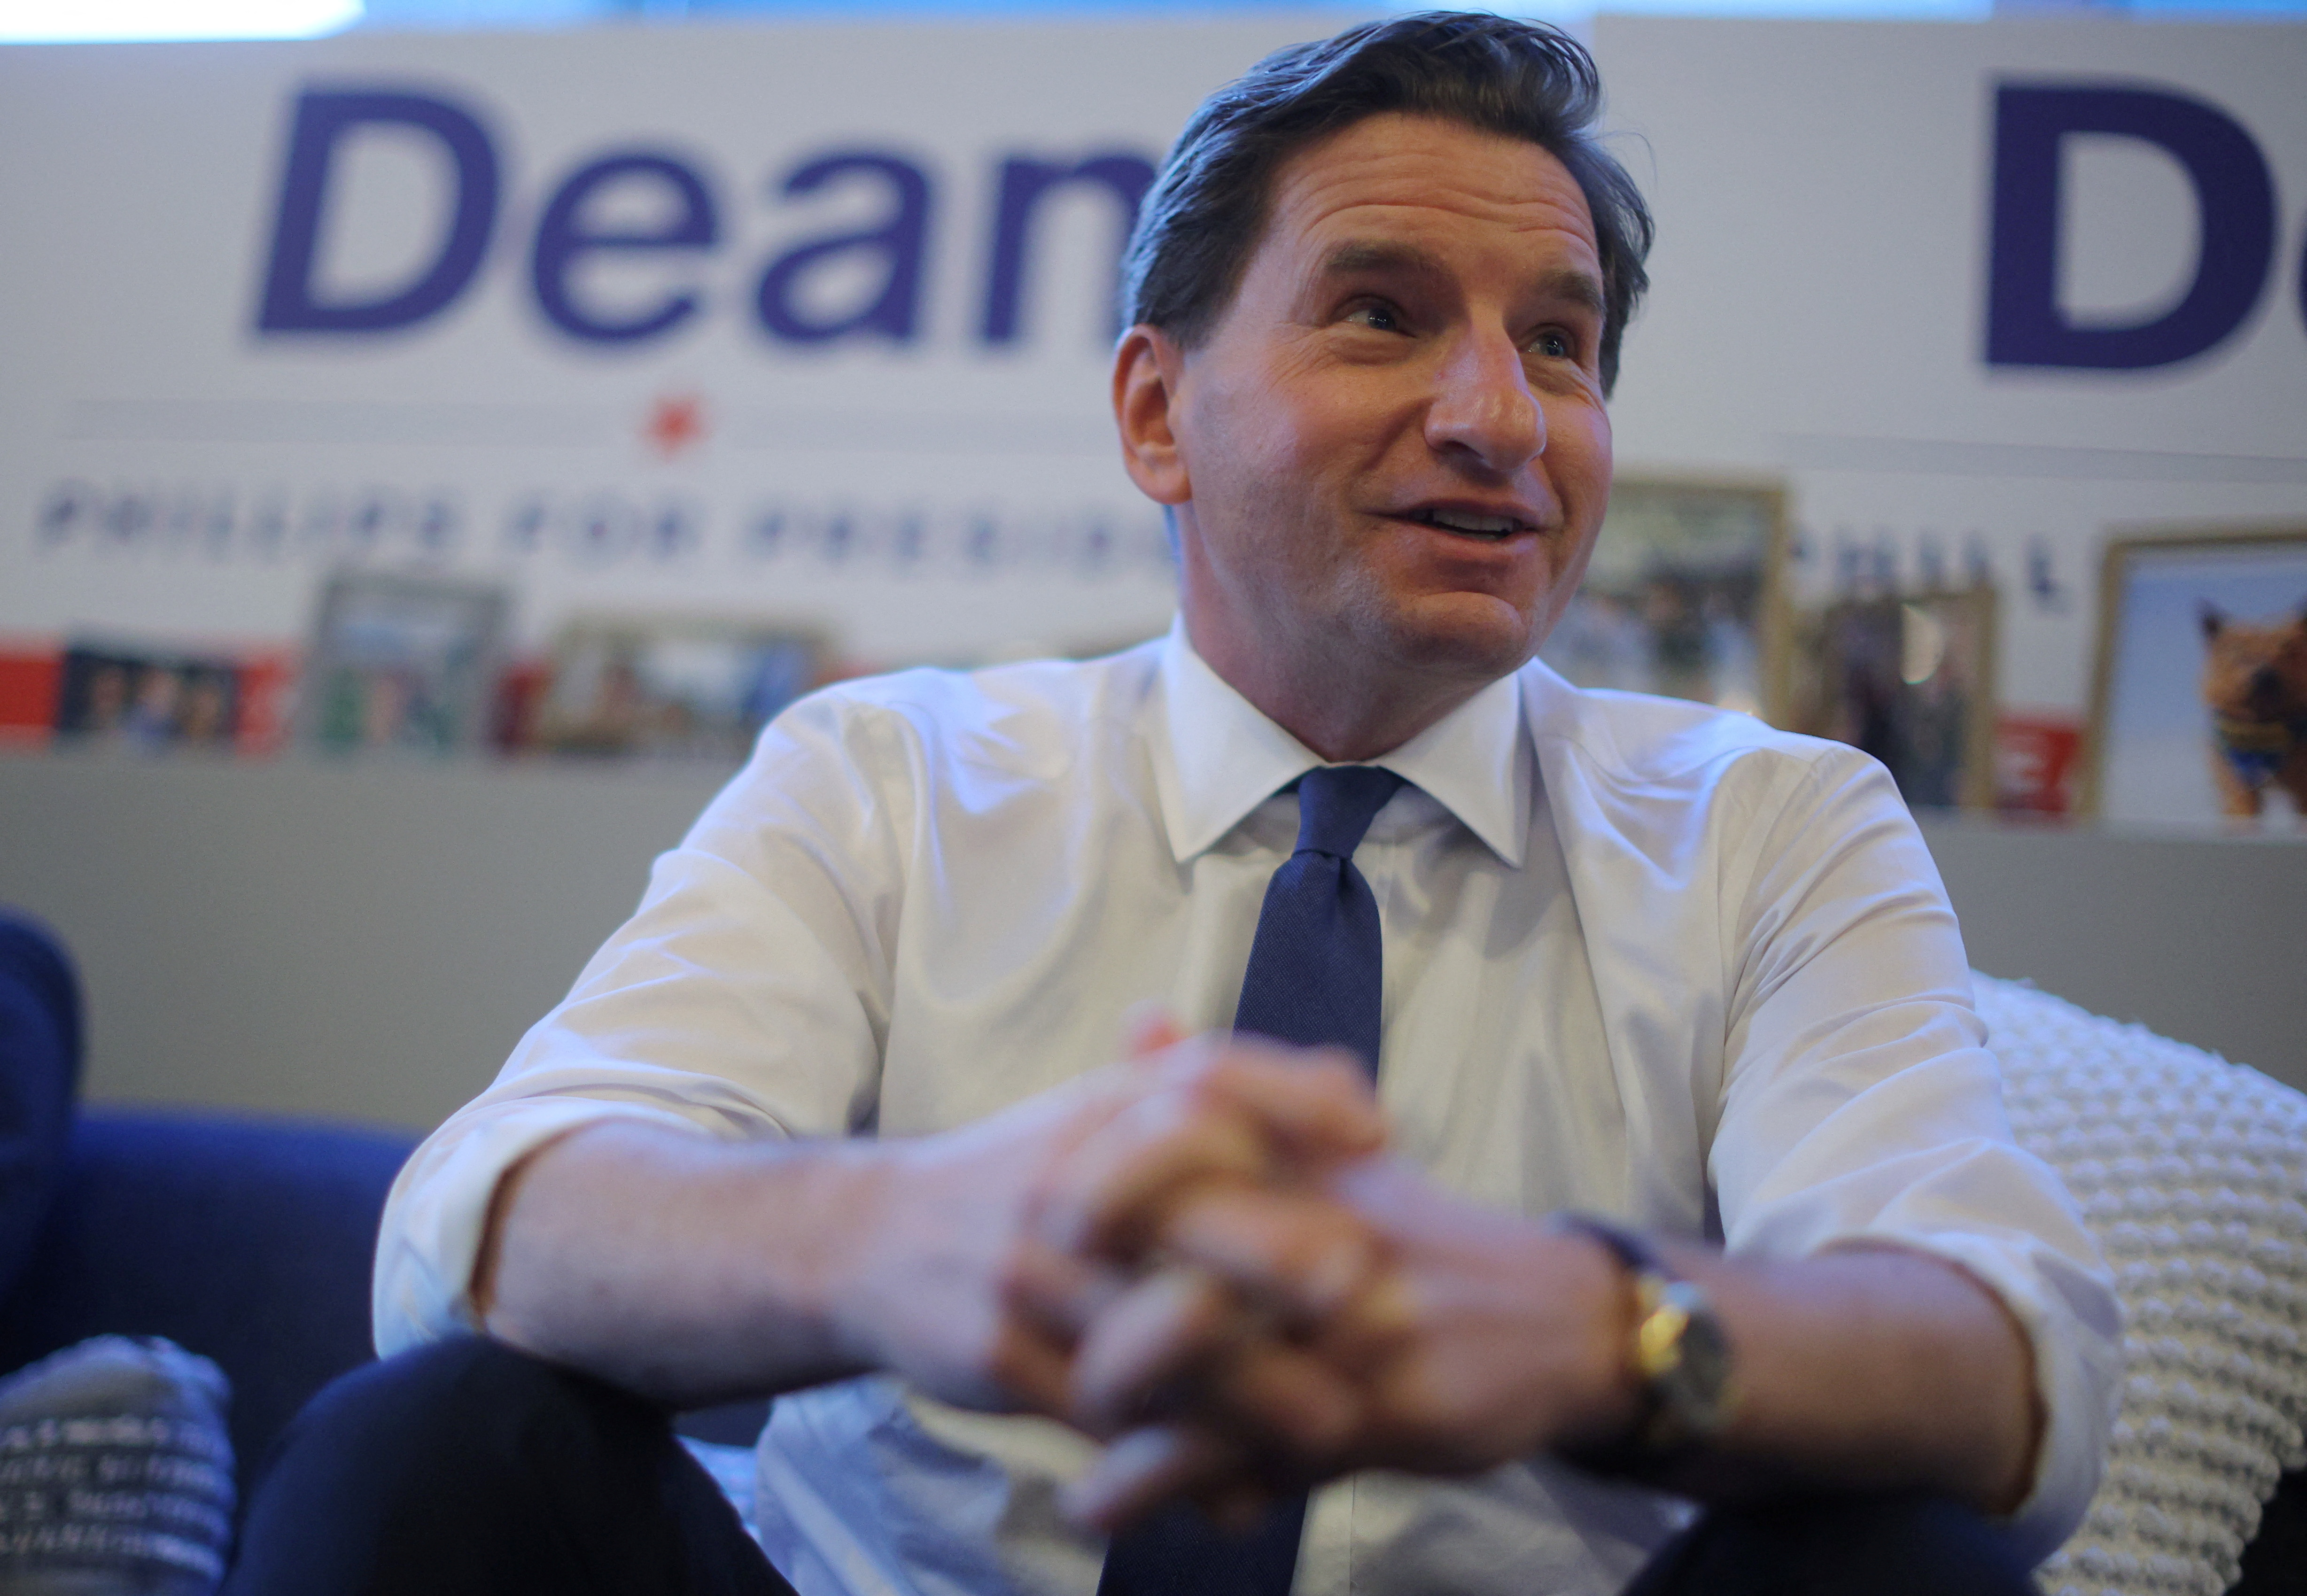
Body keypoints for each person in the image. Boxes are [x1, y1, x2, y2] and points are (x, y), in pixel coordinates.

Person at [224, 14, 2118, 1596]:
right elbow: (484, 1229)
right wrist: (891, 1242)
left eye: (1559, 342)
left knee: (1904, 1555)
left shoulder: (1776, 828)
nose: (1500, 417)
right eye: (1381, 314)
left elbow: (2004, 1361)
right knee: (439, 1448)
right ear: (1156, 413)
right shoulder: (889, 774)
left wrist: (1595, 1328)